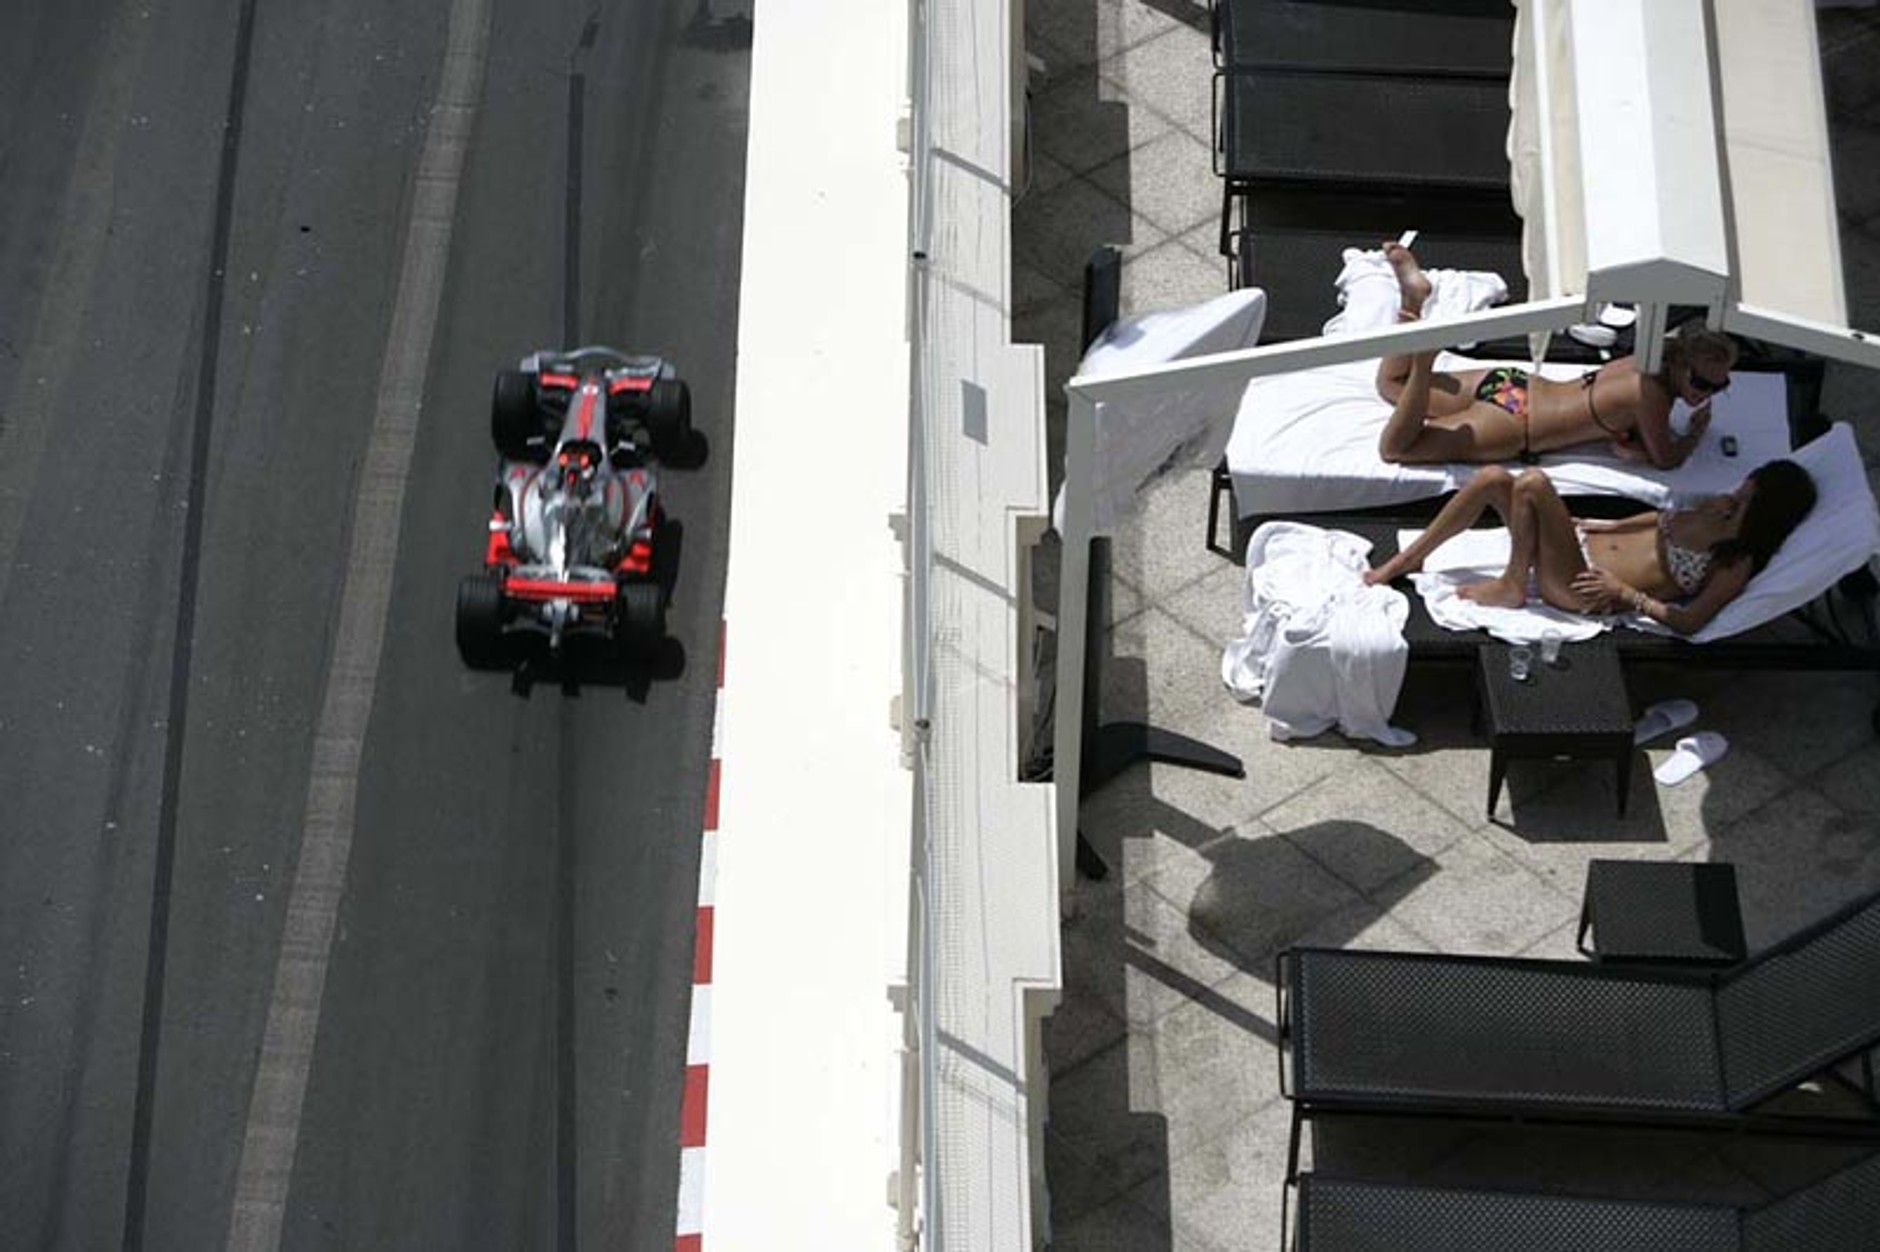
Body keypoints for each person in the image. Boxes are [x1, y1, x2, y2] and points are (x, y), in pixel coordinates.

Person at [1374, 242, 1739, 468]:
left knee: (1391, 383)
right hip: (1517, 421)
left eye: (1719, 387)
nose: (1705, 393)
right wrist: (1695, 433)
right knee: (1397, 449)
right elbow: (1666, 460)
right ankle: (1424, 364)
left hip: (1513, 384)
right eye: (1700, 382)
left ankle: (1412, 298)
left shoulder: (1642, 358)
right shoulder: (1652, 397)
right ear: (1680, 363)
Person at [1362, 459, 1816, 637]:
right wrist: (1611, 524)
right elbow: (1662, 519)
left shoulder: (1735, 561)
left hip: (1582, 588)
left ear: (1766, 509)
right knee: (1493, 478)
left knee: (1533, 483)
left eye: (1749, 494)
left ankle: (1512, 585)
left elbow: (1691, 622)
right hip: (1576, 550)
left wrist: (1626, 594)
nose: (1739, 491)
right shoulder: (1717, 506)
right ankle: (1408, 559)